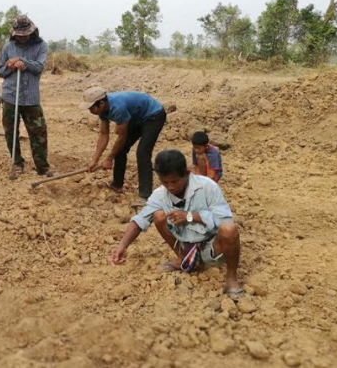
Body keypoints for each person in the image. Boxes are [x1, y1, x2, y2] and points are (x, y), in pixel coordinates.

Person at [110, 150, 242, 299]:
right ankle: (184, 258)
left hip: (212, 247)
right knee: (158, 216)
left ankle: (231, 277)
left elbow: (223, 220)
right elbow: (140, 220)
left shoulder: (208, 187)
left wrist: (191, 216)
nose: (170, 187)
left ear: (186, 173)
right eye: (165, 182)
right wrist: (122, 246)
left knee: (229, 230)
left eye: (174, 181)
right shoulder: (160, 195)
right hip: (186, 244)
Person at [80, 87, 166, 203]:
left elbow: (121, 137)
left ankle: (145, 195)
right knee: (120, 150)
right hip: (137, 117)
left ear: (101, 103)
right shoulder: (103, 110)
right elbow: (104, 134)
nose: (90, 111)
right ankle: (117, 184)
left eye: (91, 108)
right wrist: (94, 160)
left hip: (153, 115)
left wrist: (109, 158)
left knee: (142, 152)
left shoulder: (118, 108)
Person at [0, 15, 52, 179]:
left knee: (39, 132)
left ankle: (42, 167)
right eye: (19, 35)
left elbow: (39, 67)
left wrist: (22, 60)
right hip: (11, 96)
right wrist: (11, 67)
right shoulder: (8, 47)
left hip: (31, 99)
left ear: (32, 31)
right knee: (11, 132)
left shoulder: (41, 46)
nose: (23, 37)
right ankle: (17, 163)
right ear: (14, 34)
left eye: (25, 34)